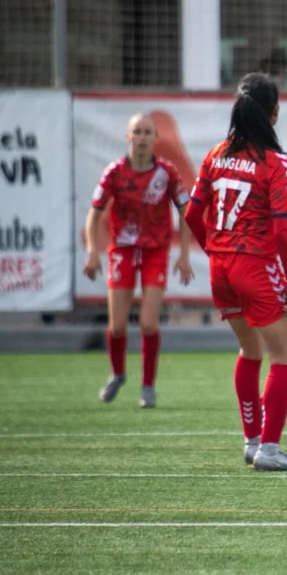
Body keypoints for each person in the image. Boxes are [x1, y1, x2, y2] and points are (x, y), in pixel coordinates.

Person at [184, 72, 287, 472]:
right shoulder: (275, 163)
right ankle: (269, 450)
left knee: (249, 350)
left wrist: (216, 251)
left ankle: (252, 442)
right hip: (254, 264)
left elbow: (191, 213)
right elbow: (282, 232)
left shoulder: (216, 153)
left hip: (220, 267)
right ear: (273, 113)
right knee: (284, 355)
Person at [84, 113, 194, 409]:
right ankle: (118, 373)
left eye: (148, 132)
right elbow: (94, 215)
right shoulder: (114, 172)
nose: (143, 137)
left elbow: (187, 212)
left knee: (148, 323)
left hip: (155, 252)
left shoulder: (167, 173)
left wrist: (184, 254)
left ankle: (148, 387)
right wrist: (93, 251)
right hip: (121, 251)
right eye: (138, 132)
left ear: (155, 138)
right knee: (117, 326)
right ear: (128, 137)